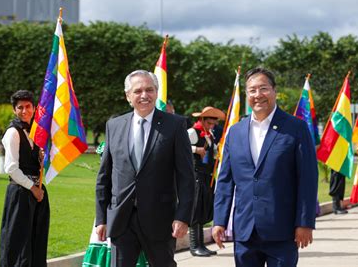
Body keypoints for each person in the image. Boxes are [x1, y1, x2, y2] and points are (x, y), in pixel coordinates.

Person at [212, 68, 318, 267]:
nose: (258, 95)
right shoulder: (234, 132)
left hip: (282, 230)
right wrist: (219, 221)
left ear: (274, 91)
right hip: (245, 232)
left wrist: (305, 222)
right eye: (252, 90)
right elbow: (225, 181)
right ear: (246, 95)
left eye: (263, 88)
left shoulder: (296, 128)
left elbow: (307, 180)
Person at [95, 70, 195, 267]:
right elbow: (104, 176)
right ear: (128, 96)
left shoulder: (175, 125)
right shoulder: (114, 126)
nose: (144, 95)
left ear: (156, 92)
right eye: (138, 91)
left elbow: (187, 177)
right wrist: (101, 218)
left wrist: (183, 217)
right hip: (121, 220)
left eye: (149, 90)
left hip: (161, 220)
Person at [0, 90, 50, 267]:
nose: (24, 111)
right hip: (21, 193)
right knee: (18, 240)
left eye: (28, 106)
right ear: (14, 110)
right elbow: (11, 168)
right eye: (20, 107)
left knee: (36, 238)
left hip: (37, 193)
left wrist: (42, 159)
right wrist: (33, 187)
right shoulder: (13, 133)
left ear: (34, 108)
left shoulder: (36, 132)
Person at [187, 106, 225, 257]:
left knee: (203, 209)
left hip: (207, 175)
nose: (211, 126)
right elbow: (180, 146)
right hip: (195, 175)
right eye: (209, 123)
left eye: (213, 124)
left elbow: (213, 152)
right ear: (202, 120)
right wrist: (197, 150)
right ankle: (194, 246)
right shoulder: (192, 132)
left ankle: (201, 245)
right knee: (195, 209)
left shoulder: (209, 135)